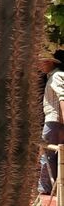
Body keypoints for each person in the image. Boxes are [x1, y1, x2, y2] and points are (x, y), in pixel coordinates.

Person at [38, 49, 64, 195]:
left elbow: (62, 97)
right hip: (56, 121)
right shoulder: (54, 76)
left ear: (49, 62)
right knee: (55, 156)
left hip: (53, 121)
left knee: (46, 155)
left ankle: (45, 189)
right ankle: (55, 189)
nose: (39, 66)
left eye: (40, 63)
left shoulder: (56, 76)